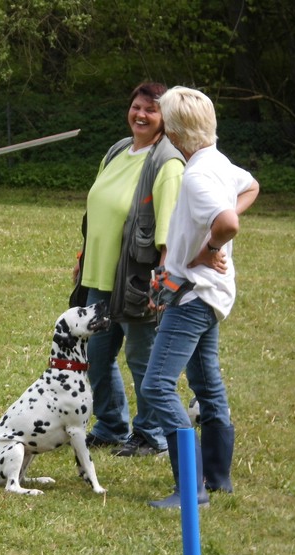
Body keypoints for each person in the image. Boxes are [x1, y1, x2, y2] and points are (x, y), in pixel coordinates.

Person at [143, 86, 259, 508]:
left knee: (157, 386)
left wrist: (211, 248)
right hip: (212, 296)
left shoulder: (194, 176)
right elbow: (251, 187)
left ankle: (191, 490)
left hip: (193, 297)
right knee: (207, 384)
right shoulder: (218, 162)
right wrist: (213, 243)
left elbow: (228, 220)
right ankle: (217, 479)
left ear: (173, 131)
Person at [75, 82, 185, 457]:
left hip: (138, 281)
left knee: (142, 360)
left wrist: (164, 285)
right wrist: (83, 256)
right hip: (99, 277)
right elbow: (100, 209)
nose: (140, 115)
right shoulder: (118, 150)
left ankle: (150, 434)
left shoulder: (167, 162)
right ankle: (111, 425)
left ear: (165, 118)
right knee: (95, 358)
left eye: (150, 110)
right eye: (136, 106)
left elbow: (168, 230)